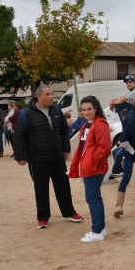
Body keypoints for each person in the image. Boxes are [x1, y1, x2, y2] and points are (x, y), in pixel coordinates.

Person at [13, 84, 84, 229]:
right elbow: (19, 135)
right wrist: (20, 155)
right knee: (41, 188)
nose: (51, 96)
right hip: (37, 158)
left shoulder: (57, 110)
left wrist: (66, 149)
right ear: (38, 96)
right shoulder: (26, 114)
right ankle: (43, 217)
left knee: (63, 186)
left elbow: (64, 130)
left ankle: (69, 212)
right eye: (47, 94)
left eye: (52, 93)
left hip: (57, 156)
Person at [68, 96, 111, 243]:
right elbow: (83, 148)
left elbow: (104, 148)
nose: (86, 112)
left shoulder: (100, 124)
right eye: (84, 110)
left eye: (89, 109)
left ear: (95, 109)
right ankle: (101, 228)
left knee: (92, 198)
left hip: (95, 168)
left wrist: (92, 163)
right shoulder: (87, 124)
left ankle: (97, 231)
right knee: (95, 198)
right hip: (89, 167)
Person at [111, 96, 135, 218]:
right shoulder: (130, 121)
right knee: (126, 178)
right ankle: (118, 206)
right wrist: (133, 152)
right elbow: (124, 141)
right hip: (130, 154)